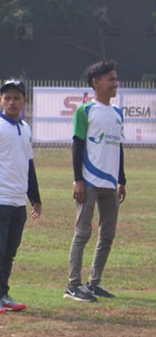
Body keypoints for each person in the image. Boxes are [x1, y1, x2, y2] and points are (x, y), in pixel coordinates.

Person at [0, 80, 42, 314]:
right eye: (7, 97)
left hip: (17, 201)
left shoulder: (25, 128)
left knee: (9, 251)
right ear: (0, 100)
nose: (12, 102)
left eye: (17, 97)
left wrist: (35, 198)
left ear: (24, 100)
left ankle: (3, 293)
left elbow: (28, 164)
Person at [64, 60, 127, 302]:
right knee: (83, 232)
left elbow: (118, 147)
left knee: (108, 234)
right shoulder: (85, 111)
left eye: (116, 79)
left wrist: (121, 179)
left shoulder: (118, 113)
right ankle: (73, 285)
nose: (115, 83)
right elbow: (77, 145)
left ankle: (94, 282)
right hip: (88, 182)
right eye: (110, 79)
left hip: (109, 184)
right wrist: (77, 180)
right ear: (96, 82)